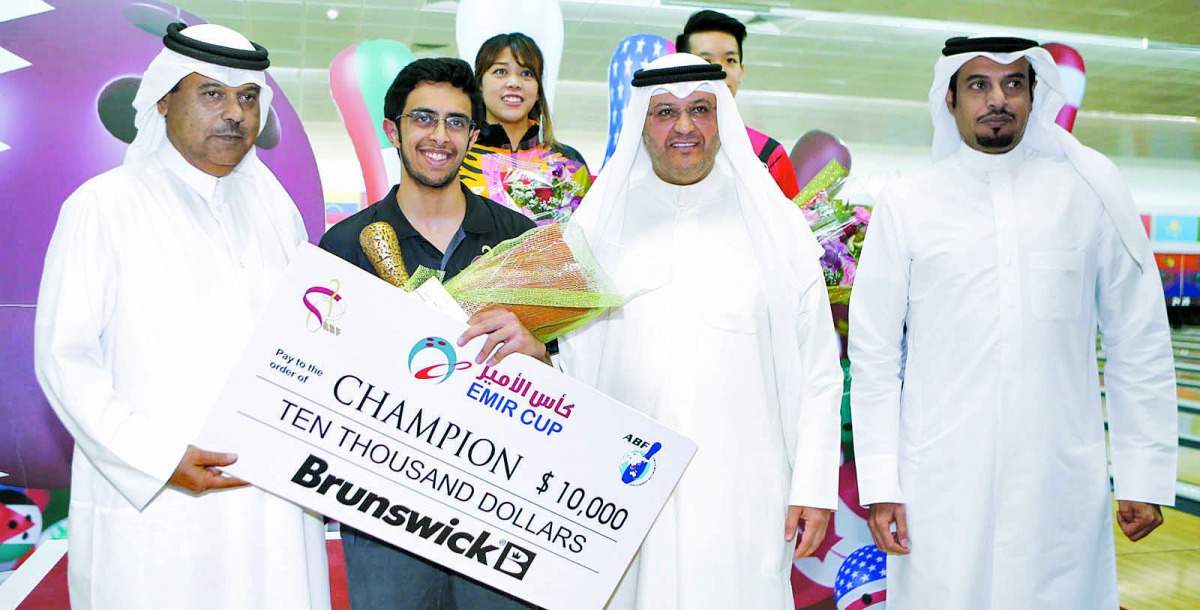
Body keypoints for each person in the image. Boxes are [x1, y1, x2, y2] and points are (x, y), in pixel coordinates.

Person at [849, 34, 1178, 608]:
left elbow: (1137, 338)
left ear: (1034, 95)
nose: (997, 99)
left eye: (1013, 84)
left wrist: (1143, 473)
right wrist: (880, 483)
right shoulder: (908, 203)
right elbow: (874, 355)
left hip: (1057, 479)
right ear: (950, 98)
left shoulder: (1086, 195)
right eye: (978, 84)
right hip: (941, 481)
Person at [34, 23, 329, 609]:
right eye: (212, 93)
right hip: (156, 504)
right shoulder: (103, 205)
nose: (235, 114)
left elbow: (308, 340)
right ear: (164, 99)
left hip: (269, 501)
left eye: (248, 97)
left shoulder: (277, 212)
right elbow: (65, 359)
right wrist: (160, 459)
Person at [560, 53, 842, 609]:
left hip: (745, 484)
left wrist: (813, 486)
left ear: (722, 119)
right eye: (665, 111)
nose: (684, 126)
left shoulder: (774, 225)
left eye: (701, 109)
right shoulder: (597, 224)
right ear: (643, 123)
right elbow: (570, 363)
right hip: (624, 486)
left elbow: (817, 368)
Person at [318, 57, 546, 610]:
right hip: (382, 509)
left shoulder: (520, 240)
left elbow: (563, 380)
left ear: (473, 135)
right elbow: (319, 376)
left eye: (456, 122)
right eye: (423, 118)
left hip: (500, 510)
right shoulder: (344, 247)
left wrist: (537, 353)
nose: (439, 136)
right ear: (392, 130)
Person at [459, 32, 591, 225]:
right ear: (480, 84)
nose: (514, 83)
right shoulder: (458, 158)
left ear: (538, 91)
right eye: (500, 72)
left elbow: (589, 231)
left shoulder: (569, 161)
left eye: (526, 74)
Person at [676, 9, 800, 199]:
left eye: (730, 60)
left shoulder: (768, 154)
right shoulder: (659, 144)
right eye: (706, 60)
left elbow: (793, 216)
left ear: (741, 71)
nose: (720, 71)